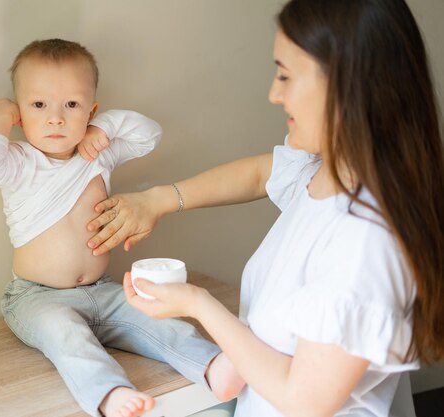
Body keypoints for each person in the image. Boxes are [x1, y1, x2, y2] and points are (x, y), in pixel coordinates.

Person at [85, 1, 444, 416]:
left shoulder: (366, 239)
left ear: (349, 86)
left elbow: (303, 400)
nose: (274, 94)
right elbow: (260, 173)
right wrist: (159, 199)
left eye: (287, 76)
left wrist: (198, 304)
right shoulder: (323, 170)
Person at [0, 39, 242, 417]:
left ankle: (213, 365)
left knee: (155, 318)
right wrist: (0, 113)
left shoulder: (98, 152)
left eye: (72, 105)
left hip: (104, 289)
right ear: (20, 113)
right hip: (37, 297)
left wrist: (104, 126)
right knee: (66, 337)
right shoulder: (19, 162)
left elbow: (150, 134)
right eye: (38, 105)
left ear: (89, 109)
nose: (56, 118)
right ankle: (109, 393)